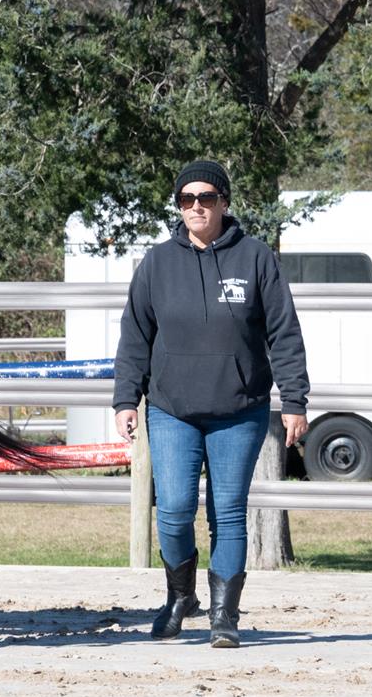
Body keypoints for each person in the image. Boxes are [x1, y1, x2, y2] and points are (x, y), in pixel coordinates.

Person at [112, 160, 309, 647]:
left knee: (229, 512)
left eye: (206, 197)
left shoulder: (257, 258)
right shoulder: (157, 263)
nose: (196, 206)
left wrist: (294, 399)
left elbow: (284, 332)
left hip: (239, 411)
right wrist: (125, 398)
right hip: (171, 410)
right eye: (187, 199)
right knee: (174, 510)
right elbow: (135, 335)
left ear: (224, 202)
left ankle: (225, 614)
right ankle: (180, 597)